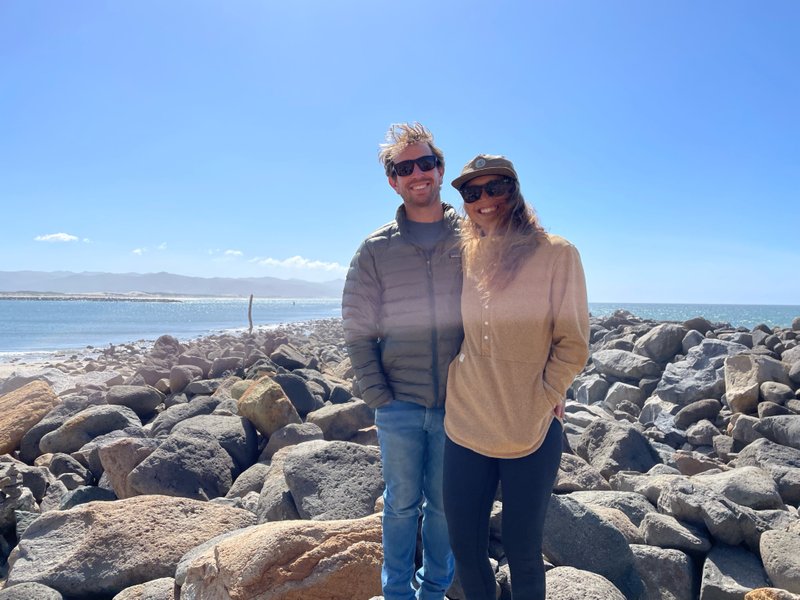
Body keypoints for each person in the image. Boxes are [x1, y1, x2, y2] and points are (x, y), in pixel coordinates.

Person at [442, 155, 590, 599]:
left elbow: (573, 342)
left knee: (524, 552)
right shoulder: (464, 255)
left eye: (495, 187)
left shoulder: (557, 254)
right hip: (465, 424)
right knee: (466, 548)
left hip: (531, 426)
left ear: (515, 189)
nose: (484, 199)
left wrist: (545, 394)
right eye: (472, 192)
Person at [342, 123, 464, 600]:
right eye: (404, 167)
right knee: (399, 506)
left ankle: (433, 591)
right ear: (393, 180)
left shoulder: (472, 237)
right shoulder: (376, 248)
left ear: (439, 169)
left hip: (461, 403)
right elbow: (357, 324)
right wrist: (378, 393)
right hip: (399, 404)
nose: (417, 173)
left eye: (426, 162)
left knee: (443, 508)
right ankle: (396, 593)